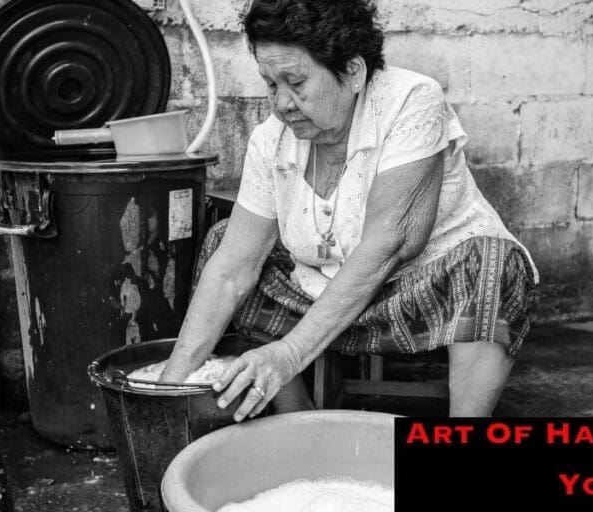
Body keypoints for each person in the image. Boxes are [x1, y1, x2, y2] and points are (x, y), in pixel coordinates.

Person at [161, 0, 538, 420]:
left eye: (296, 82)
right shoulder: (272, 142)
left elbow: (388, 243)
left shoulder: (411, 102)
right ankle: (297, 421)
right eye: (271, 85)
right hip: (317, 291)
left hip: (415, 292)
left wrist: (290, 351)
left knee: (491, 262)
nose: (282, 103)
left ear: (353, 72)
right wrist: (165, 387)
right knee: (222, 242)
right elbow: (232, 269)